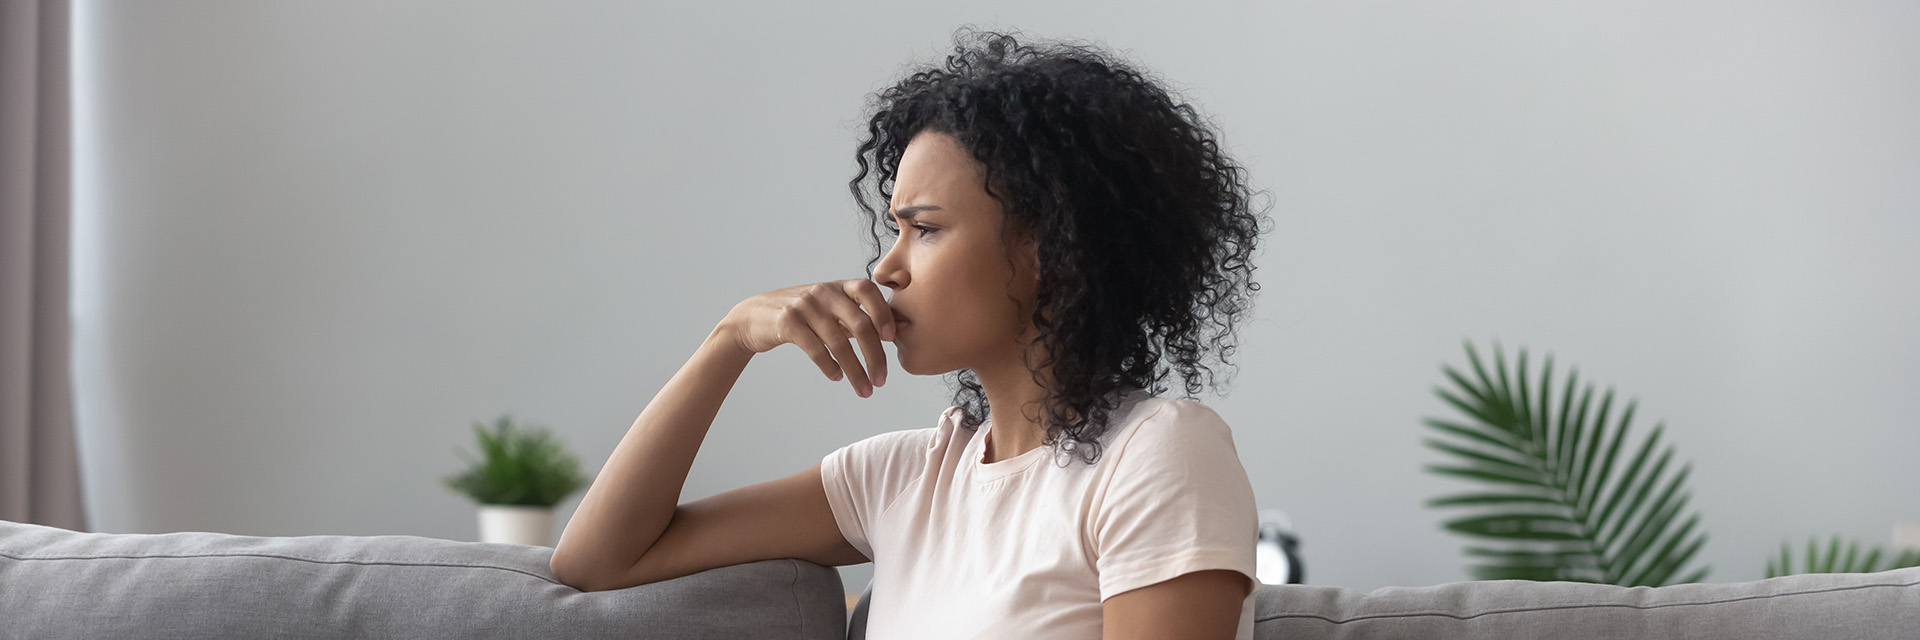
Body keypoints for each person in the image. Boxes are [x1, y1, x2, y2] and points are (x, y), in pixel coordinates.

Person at [551, 27, 1271, 639]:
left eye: (924, 230)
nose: (884, 269)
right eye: (893, 231)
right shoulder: (899, 478)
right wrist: (731, 338)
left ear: (1056, 247)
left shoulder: (1158, 453)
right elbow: (598, 560)